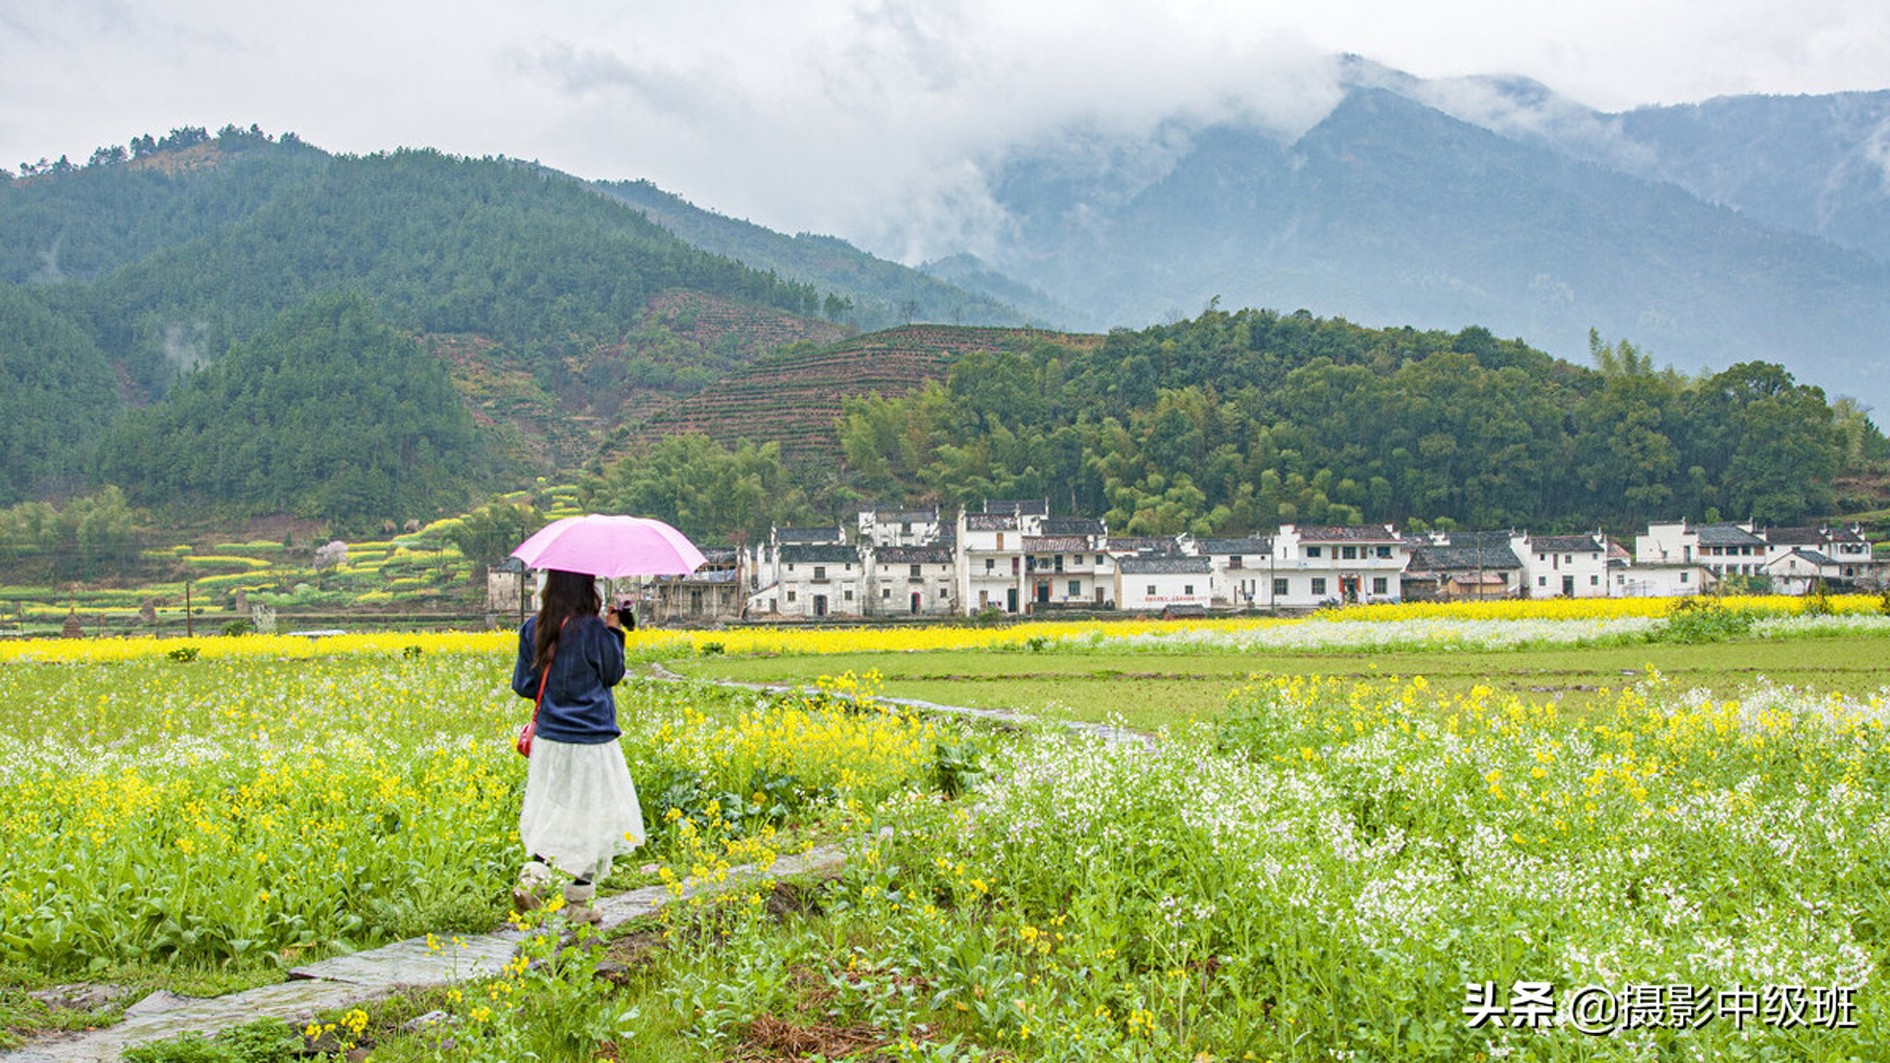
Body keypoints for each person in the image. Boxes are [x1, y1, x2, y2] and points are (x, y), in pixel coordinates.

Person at [510, 569, 645, 924]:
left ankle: (534, 876)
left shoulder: (532, 628)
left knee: (551, 807)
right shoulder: (595, 630)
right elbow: (613, 675)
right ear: (588, 588)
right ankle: (579, 904)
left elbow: (524, 684)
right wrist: (615, 631)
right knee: (592, 817)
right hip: (592, 740)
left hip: (551, 740)